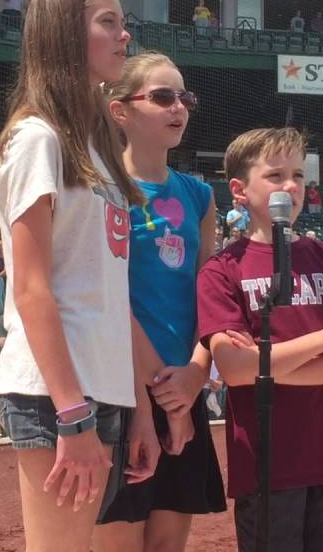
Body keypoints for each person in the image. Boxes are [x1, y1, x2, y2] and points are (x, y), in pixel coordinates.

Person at [0, 0, 156, 550]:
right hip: (56, 395)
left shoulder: (98, 148)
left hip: (99, 387)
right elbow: (31, 288)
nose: (124, 33)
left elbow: (109, 297)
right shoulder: (38, 138)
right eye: (107, 21)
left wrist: (140, 410)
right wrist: (72, 414)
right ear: (62, 34)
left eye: (121, 20)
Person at [197, 126, 323, 552]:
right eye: (276, 176)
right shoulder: (222, 269)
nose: (291, 186)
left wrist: (269, 369)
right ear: (239, 190)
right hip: (265, 466)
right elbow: (236, 370)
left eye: (298, 175)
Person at [95, 52, 227, 550]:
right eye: (163, 97)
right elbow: (106, 300)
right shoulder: (101, 188)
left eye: (185, 97)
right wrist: (159, 397)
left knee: (169, 545)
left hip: (184, 387)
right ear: (120, 111)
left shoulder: (199, 194)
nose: (179, 108)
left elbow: (207, 294)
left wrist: (195, 374)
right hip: (120, 390)